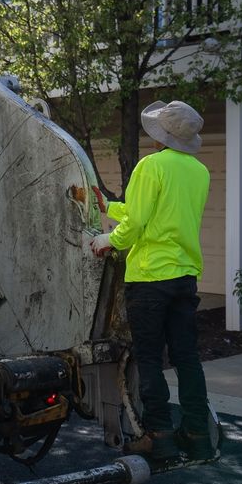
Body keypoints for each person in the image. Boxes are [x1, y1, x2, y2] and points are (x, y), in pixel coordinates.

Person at [89, 100, 217, 461]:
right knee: (187, 357)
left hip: (149, 277)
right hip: (185, 275)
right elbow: (151, 212)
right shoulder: (199, 171)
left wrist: (107, 240)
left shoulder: (150, 166)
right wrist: (107, 207)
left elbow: (138, 223)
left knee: (149, 358)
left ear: (159, 134)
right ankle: (196, 435)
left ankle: (157, 436)